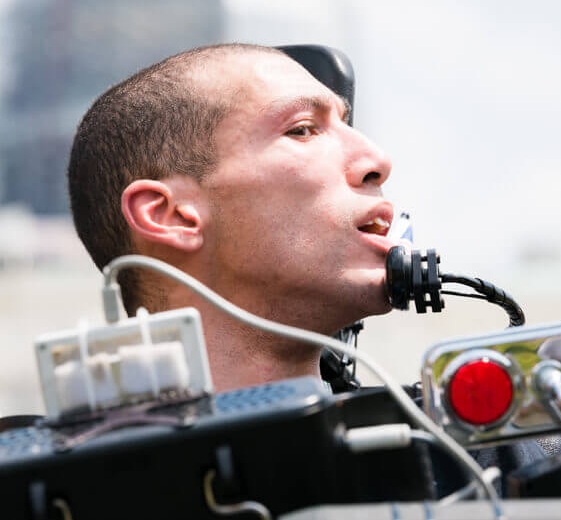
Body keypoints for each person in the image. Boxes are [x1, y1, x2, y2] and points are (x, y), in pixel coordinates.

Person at [67, 43, 400, 392]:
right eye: (302, 129)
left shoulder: (431, 436)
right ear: (171, 216)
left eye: (343, 123)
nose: (378, 160)